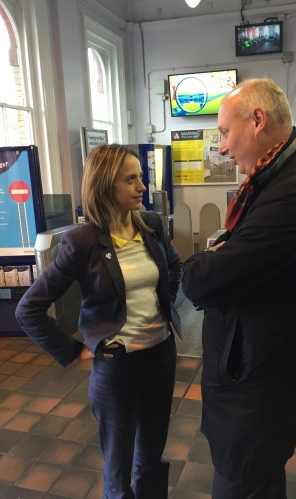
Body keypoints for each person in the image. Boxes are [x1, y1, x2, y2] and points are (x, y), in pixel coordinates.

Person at [182, 78, 296, 499]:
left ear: (257, 120)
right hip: (250, 379)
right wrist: (218, 252)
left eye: (224, 132)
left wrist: (201, 259)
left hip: (253, 389)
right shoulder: (276, 180)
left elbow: (204, 280)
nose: (222, 148)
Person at [15, 144, 182, 499]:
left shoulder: (151, 225)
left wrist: (163, 307)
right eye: (131, 179)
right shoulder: (82, 242)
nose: (142, 186)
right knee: (119, 469)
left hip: (161, 357)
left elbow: (175, 265)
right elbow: (29, 309)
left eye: (141, 177)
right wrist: (76, 351)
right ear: (106, 186)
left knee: (152, 457)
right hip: (117, 368)